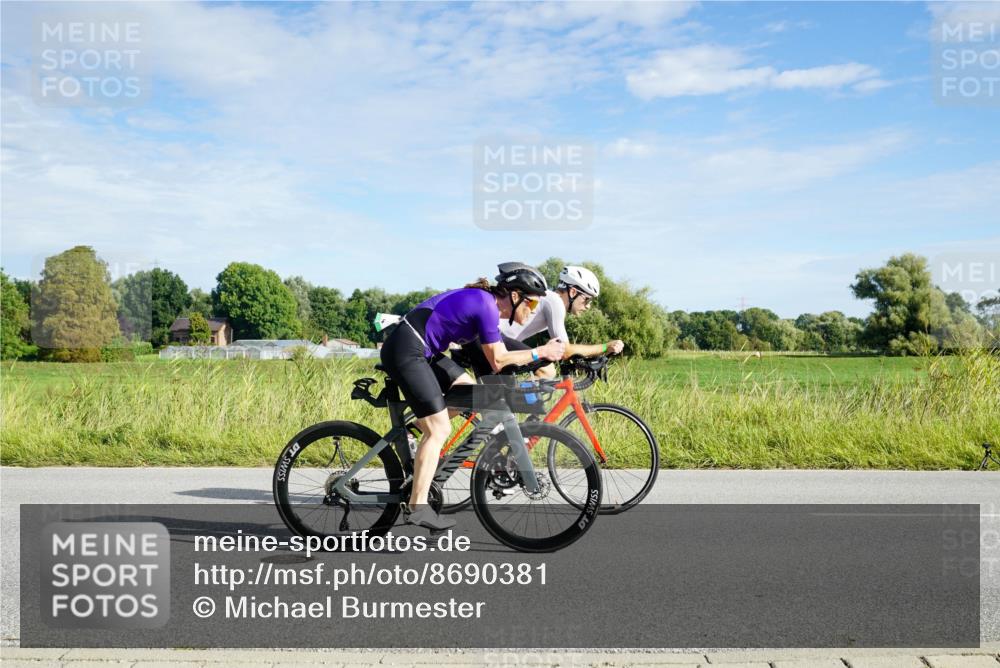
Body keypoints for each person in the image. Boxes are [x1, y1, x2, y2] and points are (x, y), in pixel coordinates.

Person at [379, 262, 565, 531]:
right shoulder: (486, 306)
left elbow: (492, 359)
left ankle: (417, 432)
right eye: (532, 303)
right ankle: (417, 506)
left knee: (468, 390)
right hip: (407, 350)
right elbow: (498, 360)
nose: (533, 311)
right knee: (439, 429)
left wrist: (518, 370)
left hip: (423, 350)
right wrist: (541, 352)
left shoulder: (487, 307)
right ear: (515, 296)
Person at [458, 265, 624, 378]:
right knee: (547, 371)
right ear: (573, 292)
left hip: (484, 339)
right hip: (490, 338)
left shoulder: (548, 301)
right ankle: (527, 416)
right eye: (587, 299)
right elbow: (565, 351)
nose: (588, 306)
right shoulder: (554, 301)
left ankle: (523, 418)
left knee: (492, 405)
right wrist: (604, 347)